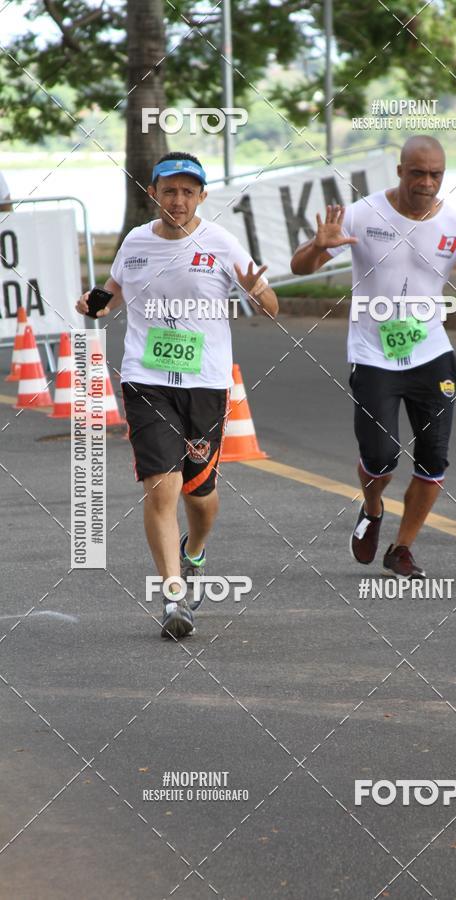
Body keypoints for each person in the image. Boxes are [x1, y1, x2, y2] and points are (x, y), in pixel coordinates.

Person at [290, 135, 456, 578]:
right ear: (400, 172)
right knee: (380, 459)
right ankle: (373, 507)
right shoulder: (363, 213)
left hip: (431, 353)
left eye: (436, 174)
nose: (427, 182)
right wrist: (320, 246)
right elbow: (301, 267)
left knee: (433, 460)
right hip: (373, 354)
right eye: (418, 173)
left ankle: (402, 548)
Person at [76, 152, 278, 638]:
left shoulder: (222, 244)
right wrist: (94, 304)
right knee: (161, 487)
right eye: (170, 190)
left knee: (201, 495)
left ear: (203, 197)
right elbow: (113, 290)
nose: (179, 199)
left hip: (205, 385)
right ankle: (172, 598)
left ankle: (195, 552)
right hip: (147, 381)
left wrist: (255, 290)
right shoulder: (136, 242)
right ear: (154, 194)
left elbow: (271, 308)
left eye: (189, 191)